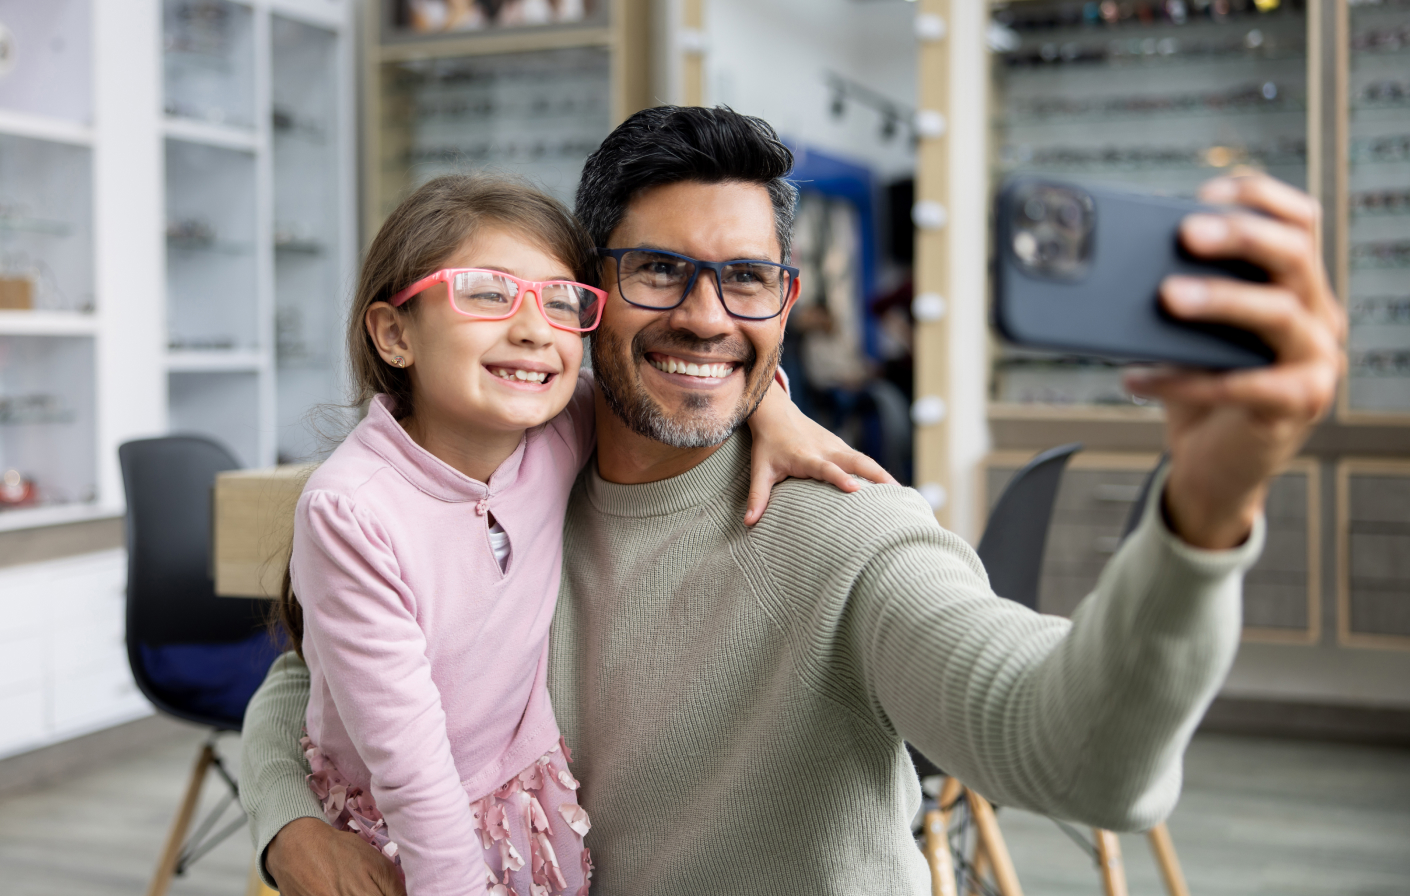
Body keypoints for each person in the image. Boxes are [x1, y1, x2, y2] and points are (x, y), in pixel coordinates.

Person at [242, 106, 1345, 896]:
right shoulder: (520, 463)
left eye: (749, 279)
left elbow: (1084, 760)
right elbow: (315, 669)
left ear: (784, 300)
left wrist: (1209, 505)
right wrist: (287, 820)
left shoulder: (847, 530)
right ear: (593, 298)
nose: (708, 315)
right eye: (659, 270)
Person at [281, 173, 890, 896]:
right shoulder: (351, 510)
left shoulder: (556, 427)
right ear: (394, 333)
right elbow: (408, 764)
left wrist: (774, 410)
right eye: (488, 293)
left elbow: (683, 381)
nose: (534, 330)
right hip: (406, 831)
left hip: (520, 805)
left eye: (562, 301)